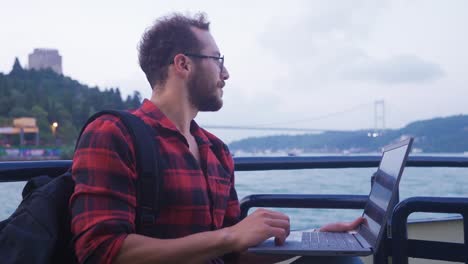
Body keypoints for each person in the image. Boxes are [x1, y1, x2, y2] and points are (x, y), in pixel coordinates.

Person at [69, 12, 363, 264]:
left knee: (340, 258)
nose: (226, 74)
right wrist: (229, 236)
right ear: (183, 64)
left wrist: (316, 239)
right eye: (217, 60)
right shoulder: (114, 133)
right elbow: (100, 250)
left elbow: (232, 253)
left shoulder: (217, 151)